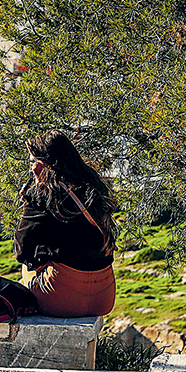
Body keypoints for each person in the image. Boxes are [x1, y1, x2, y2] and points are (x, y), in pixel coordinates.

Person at [14, 130, 117, 317]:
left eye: (33, 162)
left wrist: (29, 204)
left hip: (63, 299)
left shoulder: (44, 194)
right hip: (105, 297)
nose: (31, 169)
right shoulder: (95, 187)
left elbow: (22, 251)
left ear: (45, 164)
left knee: (25, 272)